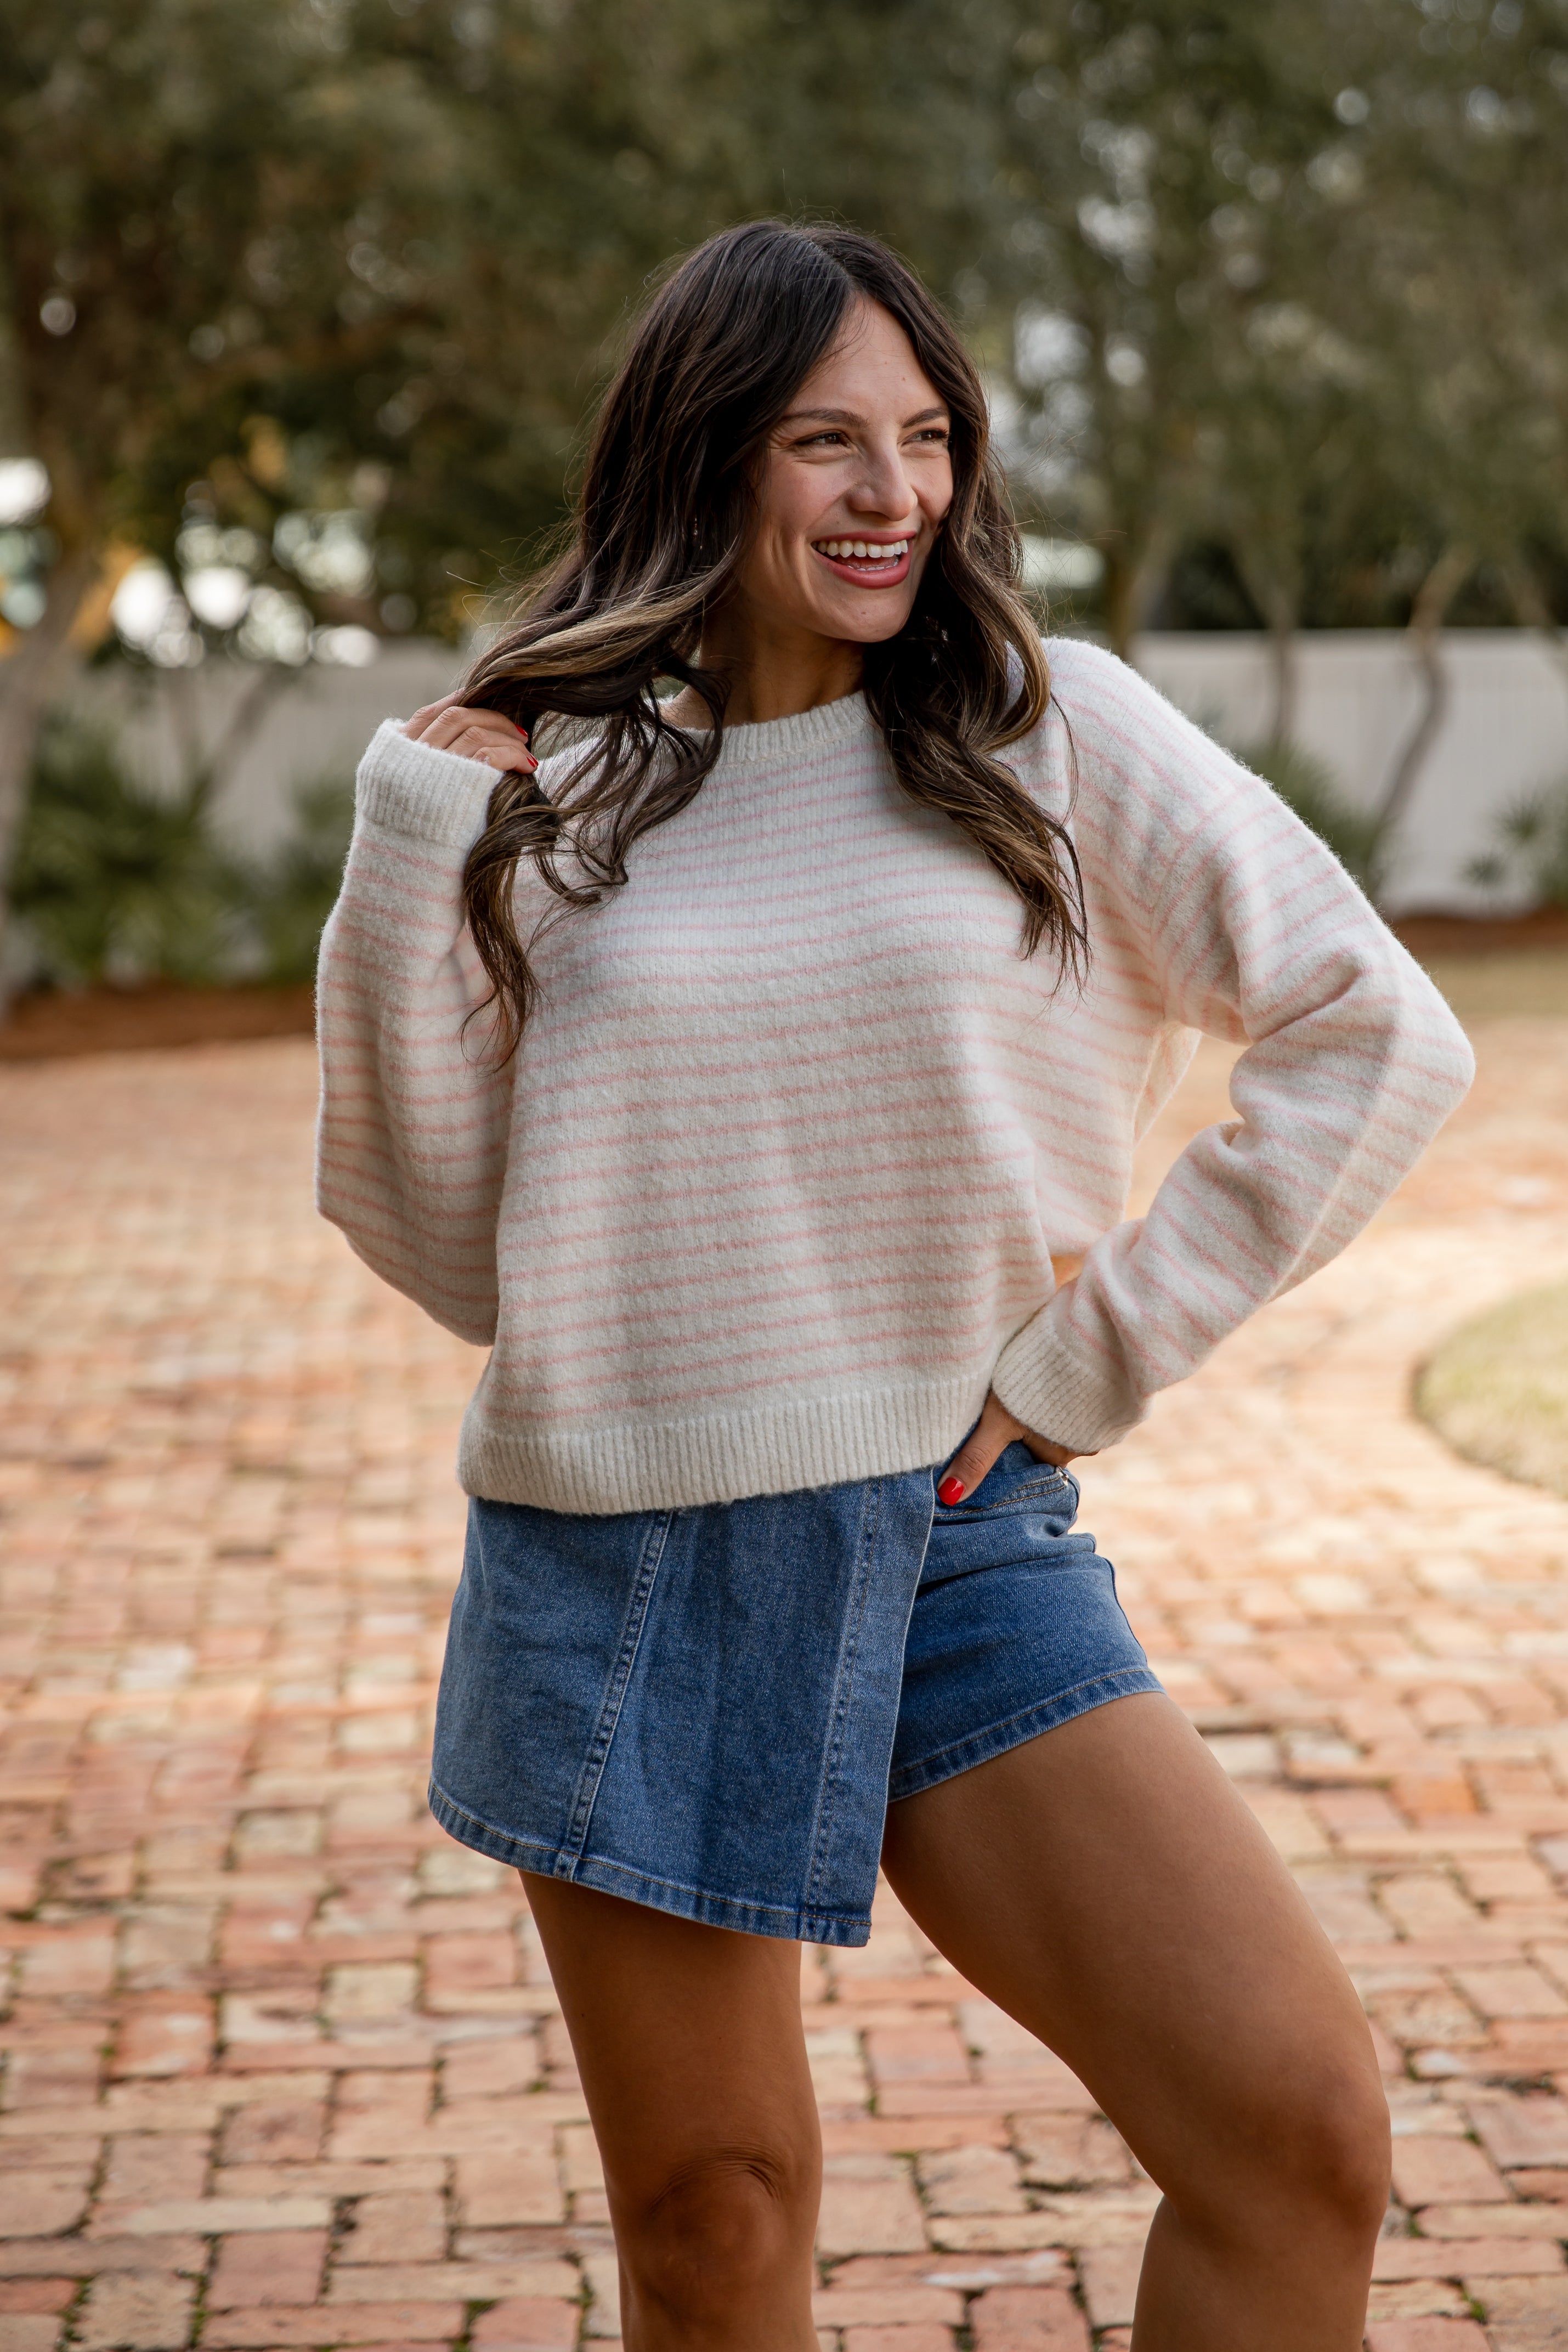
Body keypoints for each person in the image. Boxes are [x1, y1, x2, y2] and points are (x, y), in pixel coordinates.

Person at [316, 220, 1474, 2350]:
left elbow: (1373, 1033)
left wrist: (1084, 1358)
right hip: (621, 1555)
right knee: (714, 2220)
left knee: (1295, 2124)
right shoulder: (560, 802)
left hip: (956, 1542)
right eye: (825, 440)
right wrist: (414, 846)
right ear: (701, 461)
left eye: (927, 436)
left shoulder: (1050, 732)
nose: (895, 493)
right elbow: (447, 1244)